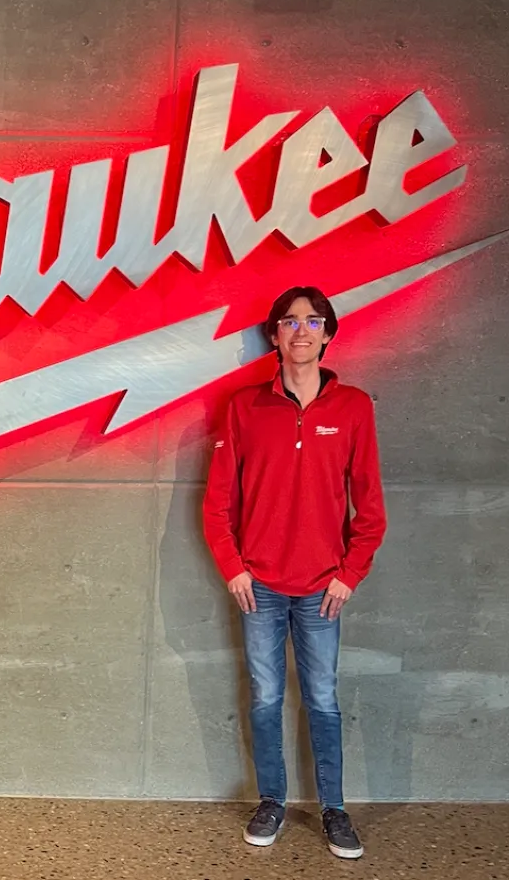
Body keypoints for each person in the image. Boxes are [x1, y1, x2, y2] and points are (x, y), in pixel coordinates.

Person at [202, 286, 387, 860]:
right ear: (274, 336)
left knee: (324, 698)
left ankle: (333, 809)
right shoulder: (244, 407)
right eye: (289, 322)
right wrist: (233, 567)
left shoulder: (354, 408)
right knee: (264, 696)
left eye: (312, 321)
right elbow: (216, 504)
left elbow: (372, 510)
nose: (301, 330)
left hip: (322, 590)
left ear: (327, 334)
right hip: (259, 585)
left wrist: (349, 574)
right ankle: (273, 800)